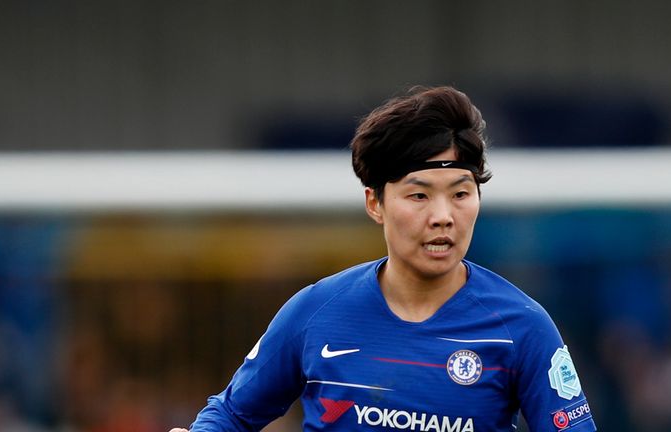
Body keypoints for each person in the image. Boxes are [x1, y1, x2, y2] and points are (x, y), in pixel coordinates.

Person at [170, 86, 597, 431]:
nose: (443, 217)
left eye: (461, 194)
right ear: (375, 203)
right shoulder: (316, 311)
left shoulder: (520, 326)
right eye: (419, 195)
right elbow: (231, 415)